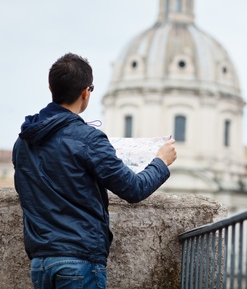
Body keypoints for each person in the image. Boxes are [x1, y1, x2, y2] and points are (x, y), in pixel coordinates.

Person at [12, 53, 177, 288]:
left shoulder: (23, 142)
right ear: (86, 93)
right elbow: (133, 189)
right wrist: (161, 162)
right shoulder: (89, 139)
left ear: (51, 88)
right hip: (79, 260)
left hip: (41, 261)